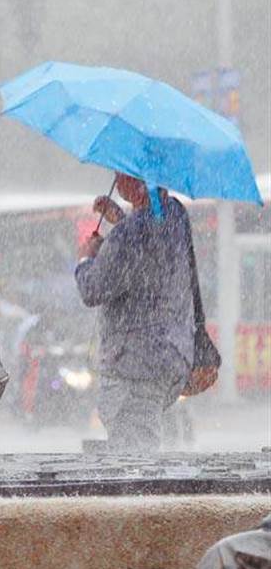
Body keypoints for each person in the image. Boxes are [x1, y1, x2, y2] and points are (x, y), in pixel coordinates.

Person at [75, 173, 194, 452]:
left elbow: (93, 289)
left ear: (140, 181)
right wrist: (123, 220)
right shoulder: (175, 213)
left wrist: (85, 258)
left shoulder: (129, 235)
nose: (116, 184)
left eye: (121, 175)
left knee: (135, 460)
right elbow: (151, 247)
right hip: (169, 355)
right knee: (145, 436)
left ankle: (140, 495)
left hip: (134, 362)